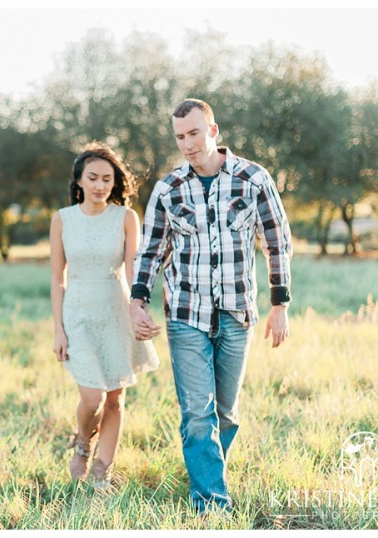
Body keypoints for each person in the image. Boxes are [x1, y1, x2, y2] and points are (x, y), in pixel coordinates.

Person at [130, 98, 292, 513]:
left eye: (194, 133)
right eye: (180, 136)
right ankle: (211, 504)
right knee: (197, 414)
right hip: (186, 314)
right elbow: (150, 251)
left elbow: (277, 243)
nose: (187, 143)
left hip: (238, 313)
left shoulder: (254, 179)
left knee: (227, 413)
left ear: (213, 131)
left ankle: (208, 470)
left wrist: (280, 304)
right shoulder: (169, 188)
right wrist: (138, 300)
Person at [50, 142, 160, 489]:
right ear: (79, 181)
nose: (100, 185)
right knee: (92, 397)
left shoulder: (126, 218)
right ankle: (83, 443)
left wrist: (138, 311)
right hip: (78, 313)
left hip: (116, 308)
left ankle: (102, 473)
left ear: (115, 183)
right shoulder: (62, 219)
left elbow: (133, 271)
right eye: (93, 178)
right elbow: (57, 279)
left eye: (107, 179)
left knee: (115, 396)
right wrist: (58, 330)